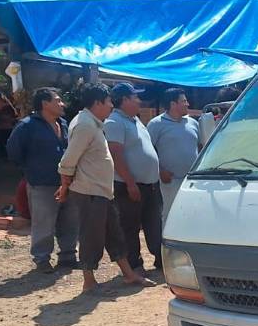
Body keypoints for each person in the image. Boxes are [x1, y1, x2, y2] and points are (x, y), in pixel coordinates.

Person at [56, 83, 153, 294]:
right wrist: (64, 187)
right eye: (109, 101)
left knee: (114, 234)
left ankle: (129, 275)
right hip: (89, 191)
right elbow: (68, 160)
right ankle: (89, 280)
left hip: (102, 191)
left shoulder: (95, 123)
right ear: (98, 102)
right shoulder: (84, 125)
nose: (111, 105)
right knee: (92, 236)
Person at [6, 87, 80, 272]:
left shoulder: (62, 124)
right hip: (42, 183)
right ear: (45, 103)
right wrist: (32, 170)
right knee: (44, 222)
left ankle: (68, 256)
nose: (62, 103)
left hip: (67, 182)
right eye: (57, 100)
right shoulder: (27, 126)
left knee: (69, 220)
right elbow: (14, 151)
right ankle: (42, 259)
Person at [105, 82, 163, 273]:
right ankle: (134, 265)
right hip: (130, 185)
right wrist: (130, 183)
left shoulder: (135, 120)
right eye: (135, 97)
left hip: (150, 185)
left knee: (154, 223)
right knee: (130, 228)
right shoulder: (114, 122)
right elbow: (116, 154)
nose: (139, 100)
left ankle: (160, 259)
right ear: (124, 100)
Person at [148, 88, 200, 222]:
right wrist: (160, 171)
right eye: (184, 101)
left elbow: (201, 146)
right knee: (170, 215)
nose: (188, 104)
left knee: (192, 214)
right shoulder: (156, 124)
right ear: (173, 104)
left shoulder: (193, 123)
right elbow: (148, 151)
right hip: (170, 182)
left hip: (192, 181)